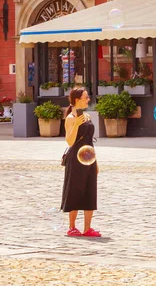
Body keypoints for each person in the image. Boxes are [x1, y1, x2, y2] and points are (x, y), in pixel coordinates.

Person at [61, 87, 100, 237]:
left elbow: (90, 141)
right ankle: (72, 227)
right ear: (77, 100)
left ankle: (87, 228)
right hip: (75, 159)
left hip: (88, 158)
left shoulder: (87, 116)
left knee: (90, 190)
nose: (88, 99)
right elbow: (70, 141)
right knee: (74, 190)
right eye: (85, 97)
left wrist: (95, 162)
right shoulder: (71, 118)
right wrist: (76, 125)